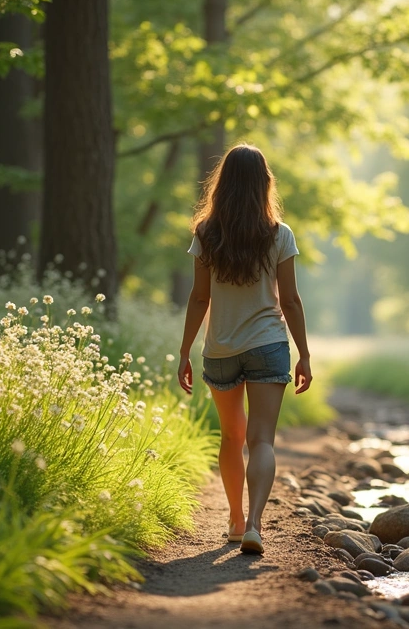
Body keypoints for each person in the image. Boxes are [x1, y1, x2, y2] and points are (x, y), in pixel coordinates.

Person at [177, 143, 313, 555]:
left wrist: (184, 351)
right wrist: (304, 353)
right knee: (262, 440)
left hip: (220, 348)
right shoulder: (279, 234)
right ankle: (255, 524)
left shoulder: (206, 233)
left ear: (223, 185)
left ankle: (235, 520)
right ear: (263, 183)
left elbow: (199, 298)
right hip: (269, 344)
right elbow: (289, 300)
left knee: (231, 436)